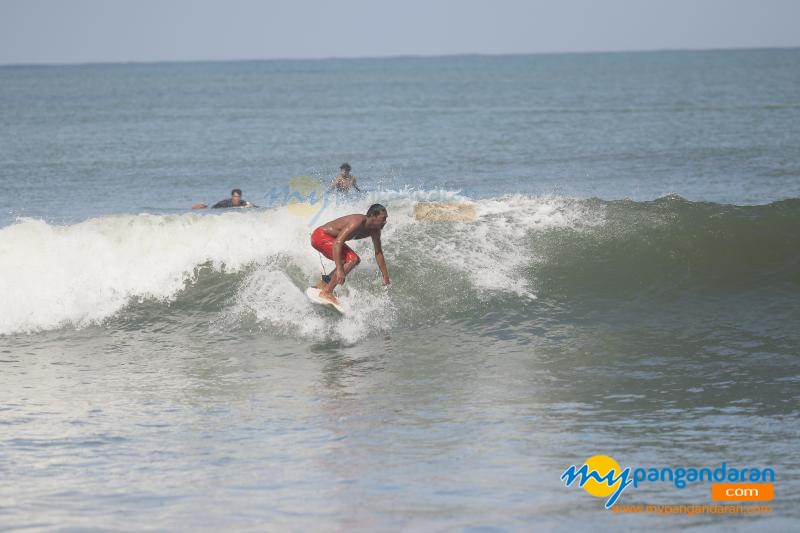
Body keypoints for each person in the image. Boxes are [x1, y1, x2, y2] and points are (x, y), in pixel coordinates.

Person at [311, 204, 389, 304]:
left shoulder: (375, 231)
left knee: (351, 260)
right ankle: (327, 292)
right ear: (373, 215)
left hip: (329, 240)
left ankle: (323, 284)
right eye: (383, 218)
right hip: (320, 236)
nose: (385, 221)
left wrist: (385, 276)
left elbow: (378, 253)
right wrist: (339, 269)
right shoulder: (357, 221)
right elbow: (337, 243)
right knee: (353, 259)